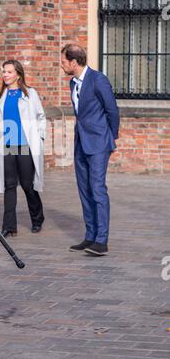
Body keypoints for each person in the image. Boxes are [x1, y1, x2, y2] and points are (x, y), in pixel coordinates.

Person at [61, 43, 120, 256]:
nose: (62, 65)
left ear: (74, 62)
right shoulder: (72, 83)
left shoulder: (98, 80)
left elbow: (112, 110)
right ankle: (91, 236)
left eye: (64, 61)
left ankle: (102, 241)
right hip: (80, 142)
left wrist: (110, 138)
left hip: (98, 143)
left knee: (97, 188)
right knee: (84, 190)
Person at [0, 59, 46, 237]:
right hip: (6, 146)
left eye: (8, 72)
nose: (5, 75)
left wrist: (40, 137)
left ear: (18, 74)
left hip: (25, 146)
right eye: (4, 72)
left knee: (28, 185)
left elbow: (40, 116)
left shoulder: (30, 94)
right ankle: (9, 226)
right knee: (9, 186)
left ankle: (37, 219)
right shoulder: (0, 96)